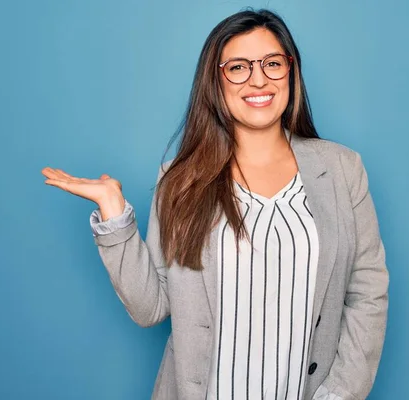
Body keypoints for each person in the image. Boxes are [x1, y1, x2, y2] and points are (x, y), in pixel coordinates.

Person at [41, 8, 389, 400]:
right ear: (215, 80)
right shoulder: (181, 179)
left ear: (291, 71)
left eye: (273, 63)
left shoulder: (342, 168)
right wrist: (113, 214)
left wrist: (339, 395)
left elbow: (368, 293)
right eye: (238, 67)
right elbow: (151, 306)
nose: (259, 79)